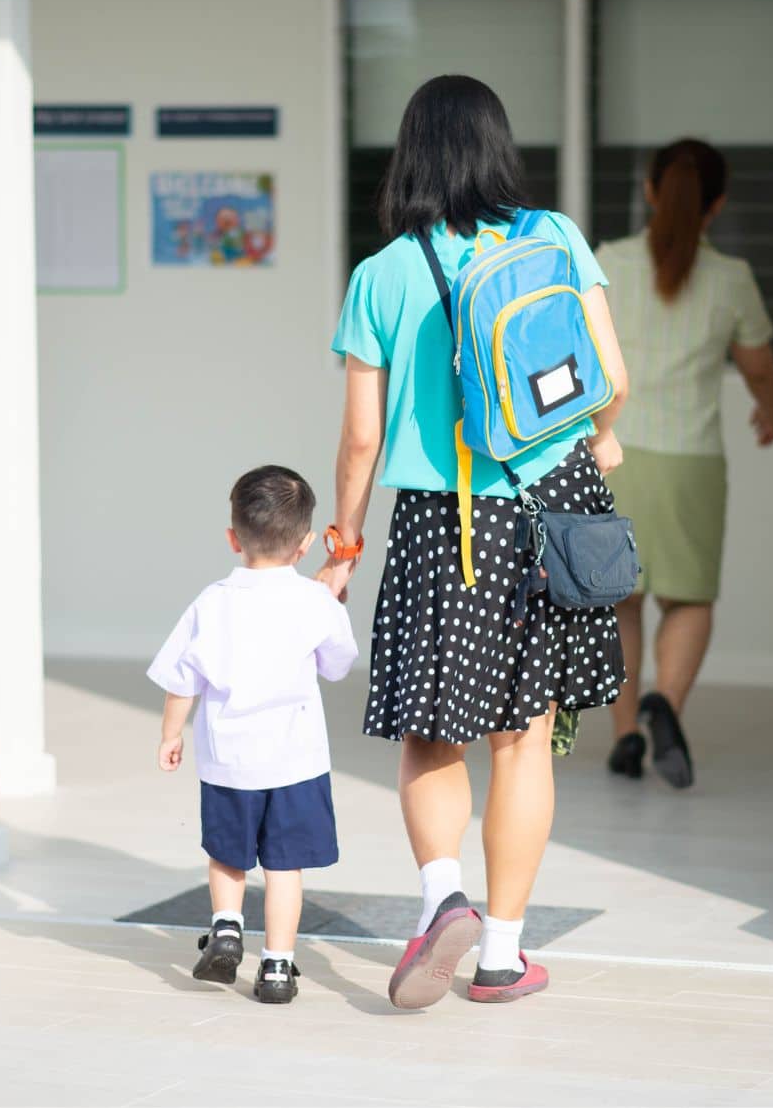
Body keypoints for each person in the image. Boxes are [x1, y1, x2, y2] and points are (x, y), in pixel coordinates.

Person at [316, 75, 629, 1008]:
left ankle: (440, 894)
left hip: (439, 518)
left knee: (429, 733)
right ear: (498, 146)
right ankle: (501, 952)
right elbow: (611, 376)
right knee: (524, 741)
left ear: (409, 153)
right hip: (549, 506)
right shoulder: (555, 238)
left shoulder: (382, 274)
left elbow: (363, 437)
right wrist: (600, 438)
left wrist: (344, 540)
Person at [595, 138, 773, 789]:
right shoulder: (732, 278)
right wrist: (769, 408)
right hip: (692, 460)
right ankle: (663, 704)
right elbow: (757, 363)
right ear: (718, 204)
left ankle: (624, 738)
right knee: (689, 596)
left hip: (612, 455)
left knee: (622, 600)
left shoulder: (607, 263)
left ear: (649, 190)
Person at [149, 465, 358, 1005]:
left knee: (227, 855)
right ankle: (278, 968)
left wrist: (172, 735)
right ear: (307, 542)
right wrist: (332, 598)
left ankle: (225, 927)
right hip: (295, 763)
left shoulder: (212, 601)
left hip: (227, 761)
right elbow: (338, 665)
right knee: (283, 867)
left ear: (232, 538)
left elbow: (182, 679)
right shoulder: (314, 602)